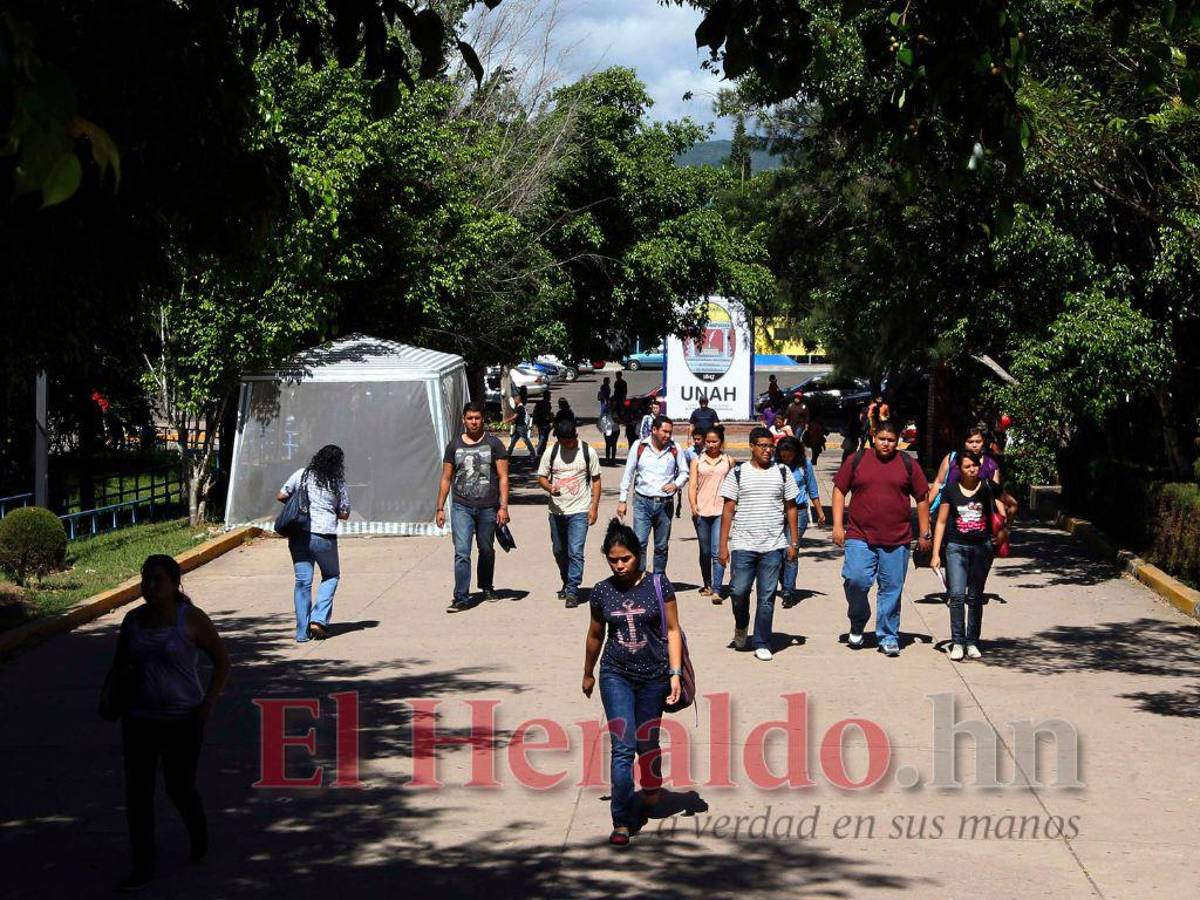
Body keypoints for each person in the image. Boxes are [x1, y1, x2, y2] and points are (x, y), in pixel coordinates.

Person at [100, 555, 230, 892]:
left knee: (179, 787)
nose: (151, 586)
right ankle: (143, 863)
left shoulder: (192, 620)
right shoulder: (132, 621)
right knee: (138, 794)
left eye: (159, 580)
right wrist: (111, 698)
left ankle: (198, 835)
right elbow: (119, 665)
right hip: (139, 720)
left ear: (175, 584)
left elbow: (222, 661)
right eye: (146, 579)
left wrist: (209, 702)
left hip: (183, 720)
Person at [582, 519, 683, 847]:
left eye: (625, 559)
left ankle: (652, 784)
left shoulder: (658, 585)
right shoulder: (601, 591)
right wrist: (588, 671)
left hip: (654, 677)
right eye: (613, 560)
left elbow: (672, 630)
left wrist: (675, 674)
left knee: (646, 742)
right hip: (616, 674)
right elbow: (596, 633)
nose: (620, 565)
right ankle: (622, 820)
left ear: (638, 555)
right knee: (623, 747)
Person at [832, 420, 931, 656]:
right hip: (859, 535)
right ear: (873, 438)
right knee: (855, 579)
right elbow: (838, 490)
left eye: (891, 440)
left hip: (897, 539)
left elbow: (922, 497)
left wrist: (925, 532)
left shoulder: (907, 463)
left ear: (897, 441)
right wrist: (837, 525)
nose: (886, 444)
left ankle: (888, 635)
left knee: (891, 589)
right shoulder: (857, 459)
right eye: (882, 439)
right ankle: (858, 619)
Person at [719, 426, 800, 661]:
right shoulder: (738, 473)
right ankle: (742, 624)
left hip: (773, 545)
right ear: (752, 447)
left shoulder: (783, 472)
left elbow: (791, 508)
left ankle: (762, 641)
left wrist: (793, 542)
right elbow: (727, 511)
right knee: (738, 591)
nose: (768, 450)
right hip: (743, 543)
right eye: (763, 446)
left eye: (770, 446)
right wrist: (723, 546)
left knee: (767, 597)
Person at [930, 452, 1008, 661]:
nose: (973, 469)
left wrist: (1003, 531)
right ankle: (957, 642)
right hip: (956, 547)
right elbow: (941, 522)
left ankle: (972, 641)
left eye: (975, 465)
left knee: (974, 597)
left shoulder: (988, 486)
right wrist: (936, 553)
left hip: (981, 548)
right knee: (956, 595)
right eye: (967, 466)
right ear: (959, 469)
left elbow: (1010, 504)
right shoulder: (950, 490)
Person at [437, 401, 511, 612]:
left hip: (488, 506)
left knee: (486, 548)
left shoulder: (494, 444)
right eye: (470, 418)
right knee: (462, 551)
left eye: (477, 418)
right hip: (462, 506)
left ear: (483, 419)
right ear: (463, 420)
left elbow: (504, 477)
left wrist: (503, 507)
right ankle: (461, 596)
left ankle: (486, 585)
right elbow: (446, 478)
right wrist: (440, 508)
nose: (474, 422)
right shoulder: (454, 446)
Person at [277, 444, 351, 641]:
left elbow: (281, 495)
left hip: (299, 533)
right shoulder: (338, 482)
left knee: (303, 583)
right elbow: (344, 513)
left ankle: (302, 633)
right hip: (324, 536)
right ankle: (318, 619)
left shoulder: (302, 474)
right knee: (331, 575)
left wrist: (299, 506)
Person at [538, 419, 602, 608]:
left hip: (579, 510)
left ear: (576, 435)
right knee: (559, 550)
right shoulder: (552, 452)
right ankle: (566, 581)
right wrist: (550, 488)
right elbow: (541, 477)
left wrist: (594, 507)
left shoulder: (587, 451)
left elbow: (596, 481)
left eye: (572, 440)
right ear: (558, 439)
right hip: (556, 511)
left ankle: (573, 590)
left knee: (575, 551)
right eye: (565, 441)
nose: (570, 444)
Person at [618, 415, 688, 575]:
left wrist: (676, 484)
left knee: (661, 546)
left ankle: (658, 581)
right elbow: (628, 474)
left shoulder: (675, 448)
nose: (668, 436)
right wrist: (622, 500)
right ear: (654, 430)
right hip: (643, 503)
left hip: (665, 505)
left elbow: (684, 472)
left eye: (670, 432)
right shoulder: (639, 446)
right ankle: (639, 579)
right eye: (665, 432)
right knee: (640, 543)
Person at [774, 436, 826, 609]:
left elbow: (812, 489)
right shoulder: (774, 466)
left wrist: (820, 513)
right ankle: (784, 581)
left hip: (800, 511)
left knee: (791, 549)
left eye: (789, 455)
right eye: (783, 455)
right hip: (777, 512)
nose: (786, 458)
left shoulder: (805, 466)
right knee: (778, 552)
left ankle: (788, 592)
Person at [928, 424, 1018, 520]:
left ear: (983, 442)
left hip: (976, 516)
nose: (974, 445)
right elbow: (938, 483)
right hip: (948, 513)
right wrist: (927, 506)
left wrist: (1002, 518)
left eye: (978, 441)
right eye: (970, 442)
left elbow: (996, 494)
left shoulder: (990, 465)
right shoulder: (951, 459)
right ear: (964, 443)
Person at [688, 425, 734, 602]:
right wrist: (693, 505)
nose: (711, 445)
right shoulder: (697, 461)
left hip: (721, 512)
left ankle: (717, 589)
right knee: (705, 551)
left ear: (721, 442)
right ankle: (707, 583)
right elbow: (692, 485)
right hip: (702, 510)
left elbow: (733, 486)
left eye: (715, 441)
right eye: (708, 441)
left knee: (717, 550)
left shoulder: (729, 461)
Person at [505, 386, 536, 460]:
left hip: (521, 427)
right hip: (518, 427)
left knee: (525, 440)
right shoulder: (519, 407)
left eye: (515, 399)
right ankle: (508, 454)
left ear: (517, 400)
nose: (514, 401)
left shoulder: (520, 408)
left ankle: (533, 453)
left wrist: (507, 420)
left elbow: (515, 416)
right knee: (513, 440)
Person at [532, 392, 553, 458]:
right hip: (544, 423)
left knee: (542, 438)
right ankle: (538, 451)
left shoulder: (540, 403)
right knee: (543, 438)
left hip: (540, 423)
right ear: (547, 396)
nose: (550, 397)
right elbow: (546, 414)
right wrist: (550, 418)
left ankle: (542, 452)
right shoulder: (547, 404)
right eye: (549, 396)